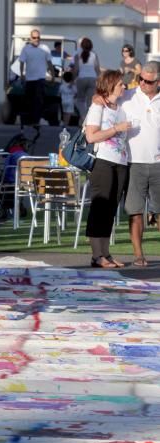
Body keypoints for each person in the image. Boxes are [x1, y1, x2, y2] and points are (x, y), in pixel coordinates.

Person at [85, 69, 133, 269]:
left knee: (111, 209)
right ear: (111, 84)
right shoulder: (98, 106)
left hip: (120, 162)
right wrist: (116, 129)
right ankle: (97, 256)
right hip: (103, 161)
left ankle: (106, 253)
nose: (125, 86)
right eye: (121, 83)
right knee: (100, 207)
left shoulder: (120, 106)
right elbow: (91, 136)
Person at [121, 61, 160, 265]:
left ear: (158, 81)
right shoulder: (128, 96)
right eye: (141, 79)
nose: (143, 83)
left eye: (148, 81)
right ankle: (138, 255)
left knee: (159, 213)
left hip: (158, 164)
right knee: (135, 212)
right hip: (133, 162)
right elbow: (105, 98)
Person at [19, 29, 55, 127]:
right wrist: (22, 75)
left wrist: (53, 75)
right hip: (29, 79)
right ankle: (30, 120)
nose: (36, 39)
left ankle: (36, 120)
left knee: (39, 100)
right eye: (34, 37)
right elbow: (21, 62)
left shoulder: (45, 48)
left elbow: (49, 62)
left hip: (40, 79)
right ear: (30, 38)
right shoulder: (26, 49)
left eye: (38, 37)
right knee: (29, 100)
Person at [73, 37, 100, 123]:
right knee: (90, 101)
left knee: (80, 100)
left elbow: (76, 69)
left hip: (82, 78)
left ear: (81, 46)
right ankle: (89, 121)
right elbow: (97, 69)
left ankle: (83, 115)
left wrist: (72, 79)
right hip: (93, 78)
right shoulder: (94, 55)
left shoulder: (78, 55)